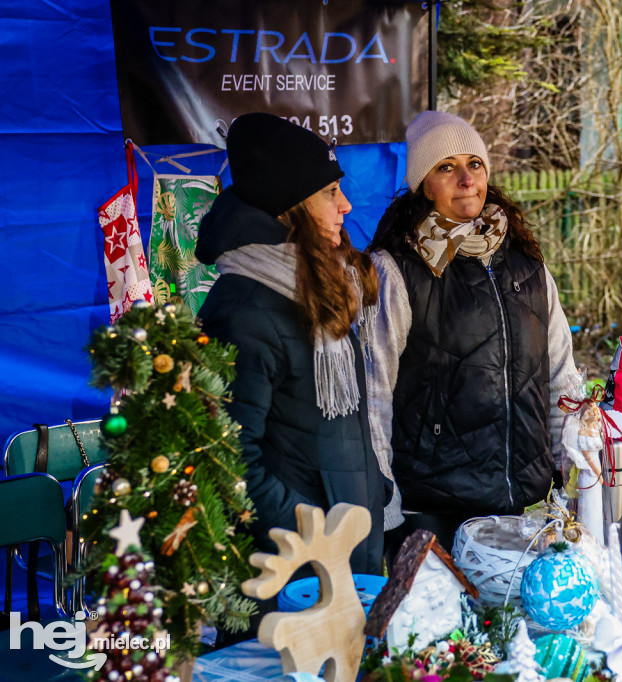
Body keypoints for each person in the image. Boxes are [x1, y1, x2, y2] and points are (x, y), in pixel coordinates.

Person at [196, 113, 399, 580]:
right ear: (291, 206)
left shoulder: (316, 287)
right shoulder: (244, 307)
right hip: (295, 570)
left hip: (348, 549)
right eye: (330, 193)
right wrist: (316, 535)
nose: (346, 205)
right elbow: (229, 461)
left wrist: (375, 491)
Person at [368, 110, 576, 554]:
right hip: (434, 511)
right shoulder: (396, 271)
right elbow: (374, 395)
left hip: (526, 506)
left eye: (474, 164)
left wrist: (573, 475)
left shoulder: (528, 265)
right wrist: (385, 505)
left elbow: (562, 379)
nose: (466, 179)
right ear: (423, 184)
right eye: (446, 167)